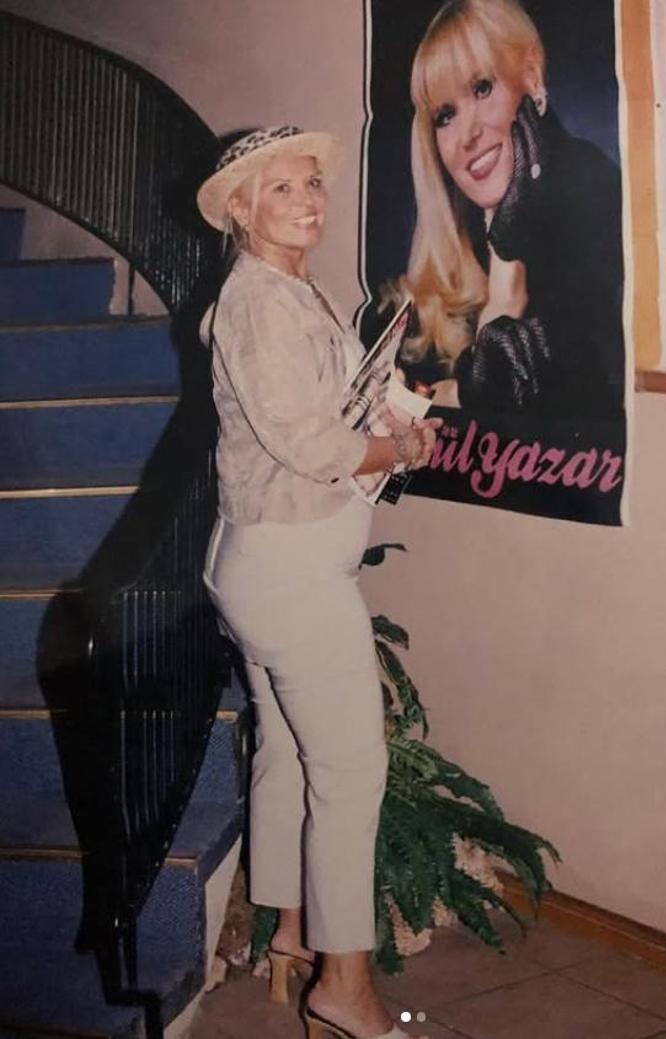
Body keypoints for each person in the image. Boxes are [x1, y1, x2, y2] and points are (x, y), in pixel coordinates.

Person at [196, 126, 439, 1039]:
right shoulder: (258, 301)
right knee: (350, 770)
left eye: (312, 184)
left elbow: (321, 411)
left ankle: (293, 929)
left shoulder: (289, 289)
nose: (306, 200)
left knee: (292, 755)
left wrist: (391, 418)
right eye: (281, 188)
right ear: (241, 208)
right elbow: (311, 444)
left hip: (275, 561)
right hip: (290, 574)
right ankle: (345, 987)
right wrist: (397, 448)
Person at [397, 0, 625, 419]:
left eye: (482, 89)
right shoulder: (452, 256)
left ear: (532, 77)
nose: (467, 134)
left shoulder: (593, 194)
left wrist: (460, 391)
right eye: (445, 116)